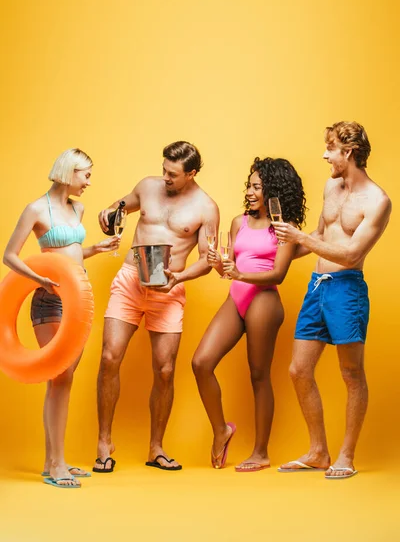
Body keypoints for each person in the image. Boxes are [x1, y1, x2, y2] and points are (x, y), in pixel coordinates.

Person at [273, 121, 392, 479]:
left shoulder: (378, 201)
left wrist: (302, 240)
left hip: (347, 289)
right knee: (298, 370)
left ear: (349, 152)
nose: (325, 155)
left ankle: (346, 455)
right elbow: (320, 234)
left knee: (351, 373)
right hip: (317, 286)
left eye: (331, 149)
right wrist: (279, 251)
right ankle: (318, 451)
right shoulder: (331, 186)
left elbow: (351, 254)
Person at [94, 141, 219, 472]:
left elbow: (207, 261)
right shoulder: (147, 187)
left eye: (173, 174)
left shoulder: (207, 207)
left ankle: (156, 448)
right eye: (164, 170)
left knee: (164, 370)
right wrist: (106, 217)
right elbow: (115, 209)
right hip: (130, 280)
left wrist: (178, 278)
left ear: (191, 174)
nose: (165, 177)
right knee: (109, 357)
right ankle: (104, 443)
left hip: (169, 288)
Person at [3, 149, 119, 488]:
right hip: (48, 301)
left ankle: (56, 460)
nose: (89, 182)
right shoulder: (37, 209)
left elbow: (69, 254)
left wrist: (93, 250)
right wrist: (38, 280)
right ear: (69, 172)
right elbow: (10, 255)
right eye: (86, 175)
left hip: (76, 302)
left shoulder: (77, 208)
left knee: (65, 379)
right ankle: (55, 465)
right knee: (60, 378)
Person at [192, 157, 307, 471]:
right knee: (201, 362)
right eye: (250, 184)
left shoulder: (285, 228)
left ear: (273, 189)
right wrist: (218, 262)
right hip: (238, 297)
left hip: (264, 301)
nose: (251, 190)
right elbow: (228, 270)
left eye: (257, 185)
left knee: (258, 375)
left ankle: (261, 452)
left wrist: (239, 275)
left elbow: (278, 274)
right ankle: (221, 430)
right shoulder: (237, 222)